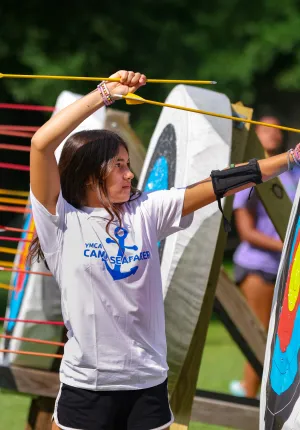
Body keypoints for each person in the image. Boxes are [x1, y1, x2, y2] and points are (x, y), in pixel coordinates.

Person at [28, 70, 300, 430]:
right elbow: (41, 145)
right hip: (86, 389)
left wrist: (291, 158)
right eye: (119, 166)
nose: (130, 175)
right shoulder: (60, 221)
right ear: (91, 175)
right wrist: (105, 93)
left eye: (129, 165)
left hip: (146, 387)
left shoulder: (147, 210)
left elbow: (220, 183)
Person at [229, 116, 300, 399]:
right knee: (261, 336)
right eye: (266, 129)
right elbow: (246, 232)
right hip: (258, 265)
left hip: (290, 266)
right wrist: (286, 246)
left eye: (277, 129)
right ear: (256, 134)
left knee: (286, 340)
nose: (273, 134)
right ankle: (248, 396)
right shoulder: (250, 171)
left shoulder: (295, 171)